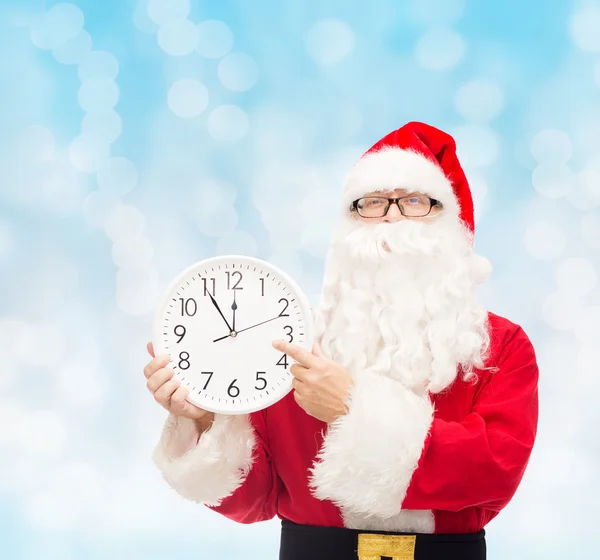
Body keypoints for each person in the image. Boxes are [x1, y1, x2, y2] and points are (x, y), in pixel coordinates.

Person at [143, 121, 539, 560]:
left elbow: (493, 473)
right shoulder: (293, 343)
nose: (391, 215)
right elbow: (255, 498)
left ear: (451, 223)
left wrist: (353, 406)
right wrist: (204, 421)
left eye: (413, 201)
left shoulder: (502, 347)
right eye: (371, 203)